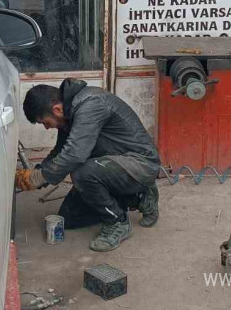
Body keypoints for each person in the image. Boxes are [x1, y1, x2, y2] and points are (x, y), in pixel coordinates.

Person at [16, 79, 161, 252]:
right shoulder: (68, 112)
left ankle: (118, 222)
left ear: (56, 109)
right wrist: (38, 173)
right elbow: (60, 151)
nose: (47, 128)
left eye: (45, 122)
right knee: (70, 218)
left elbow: (74, 155)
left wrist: (36, 178)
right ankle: (138, 197)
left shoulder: (90, 105)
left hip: (140, 164)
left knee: (82, 174)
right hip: (113, 162)